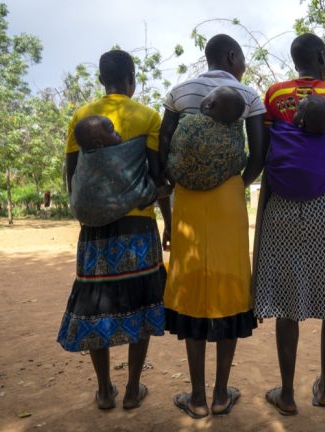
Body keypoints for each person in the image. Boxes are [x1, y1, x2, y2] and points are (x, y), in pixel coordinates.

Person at [159, 34, 265, 419]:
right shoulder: (248, 95)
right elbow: (259, 151)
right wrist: (235, 180)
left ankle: (198, 397)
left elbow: (164, 145)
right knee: (227, 286)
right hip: (227, 199)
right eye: (243, 59)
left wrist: (176, 181)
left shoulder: (179, 92)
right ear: (232, 56)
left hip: (186, 199)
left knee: (191, 289)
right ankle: (222, 394)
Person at [253, 33, 325, 416]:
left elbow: (266, 157)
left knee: (286, 302)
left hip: (281, 208)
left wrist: (263, 214)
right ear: (322, 57)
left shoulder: (273, 95)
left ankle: (286, 393)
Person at [57, 49, 168, 410]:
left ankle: (105, 390)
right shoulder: (148, 116)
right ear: (132, 79)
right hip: (138, 224)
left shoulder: (81, 116)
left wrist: (82, 210)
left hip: (95, 229)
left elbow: (72, 172)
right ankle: (134, 388)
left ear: (102, 80)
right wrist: (165, 216)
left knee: (95, 304)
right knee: (141, 300)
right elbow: (155, 173)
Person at [69, 115, 171, 227]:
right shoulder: (148, 119)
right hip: (134, 223)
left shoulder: (78, 118)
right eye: (112, 131)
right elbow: (139, 147)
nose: (117, 132)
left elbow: (71, 172)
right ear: (98, 143)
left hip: (87, 223)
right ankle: (153, 193)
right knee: (139, 192)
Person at [166, 86, 248, 190]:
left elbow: (174, 145)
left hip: (184, 181)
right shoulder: (236, 131)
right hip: (219, 185)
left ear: (209, 104)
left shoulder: (189, 122)